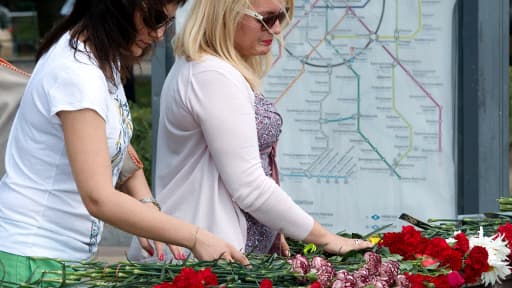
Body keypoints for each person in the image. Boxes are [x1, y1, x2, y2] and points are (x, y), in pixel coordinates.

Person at [0, 0, 248, 285]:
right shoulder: (77, 73)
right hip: (31, 262)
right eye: (155, 18)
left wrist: (144, 202)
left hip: (53, 261)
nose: (158, 34)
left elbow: (111, 141)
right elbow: (99, 198)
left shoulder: (100, 57)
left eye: (167, 22)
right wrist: (195, 236)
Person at [128, 0, 373, 262]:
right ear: (225, 14)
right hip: (207, 258)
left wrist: (272, 224)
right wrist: (327, 239)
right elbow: (249, 186)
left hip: (219, 251)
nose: (277, 29)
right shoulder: (212, 75)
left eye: (283, 16)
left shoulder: (214, 68)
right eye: (266, 18)